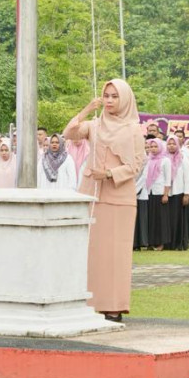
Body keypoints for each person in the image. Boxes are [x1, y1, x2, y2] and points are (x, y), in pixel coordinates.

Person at [64, 79, 146, 322]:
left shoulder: (133, 129)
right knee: (91, 252)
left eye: (114, 96)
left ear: (125, 99)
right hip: (93, 195)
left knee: (116, 254)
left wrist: (110, 174)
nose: (109, 100)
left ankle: (114, 306)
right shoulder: (95, 126)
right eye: (106, 96)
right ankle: (90, 302)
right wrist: (88, 108)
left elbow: (136, 165)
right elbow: (69, 133)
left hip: (120, 198)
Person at [144, 138, 171, 251]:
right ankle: (150, 242)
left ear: (160, 147)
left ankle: (161, 243)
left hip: (160, 193)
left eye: (155, 147)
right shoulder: (148, 160)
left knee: (160, 219)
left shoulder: (165, 160)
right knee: (151, 218)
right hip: (149, 192)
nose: (153, 149)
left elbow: (168, 179)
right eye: (151, 147)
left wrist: (165, 194)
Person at [167, 134, 189, 251]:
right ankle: (168, 243)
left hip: (179, 192)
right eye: (169, 144)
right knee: (168, 219)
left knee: (178, 219)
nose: (171, 146)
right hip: (167, 193)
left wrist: (186, 194)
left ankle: (179, 243)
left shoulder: (183, 158)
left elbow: (188, 177)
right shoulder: (164, 158)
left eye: (173, 144)